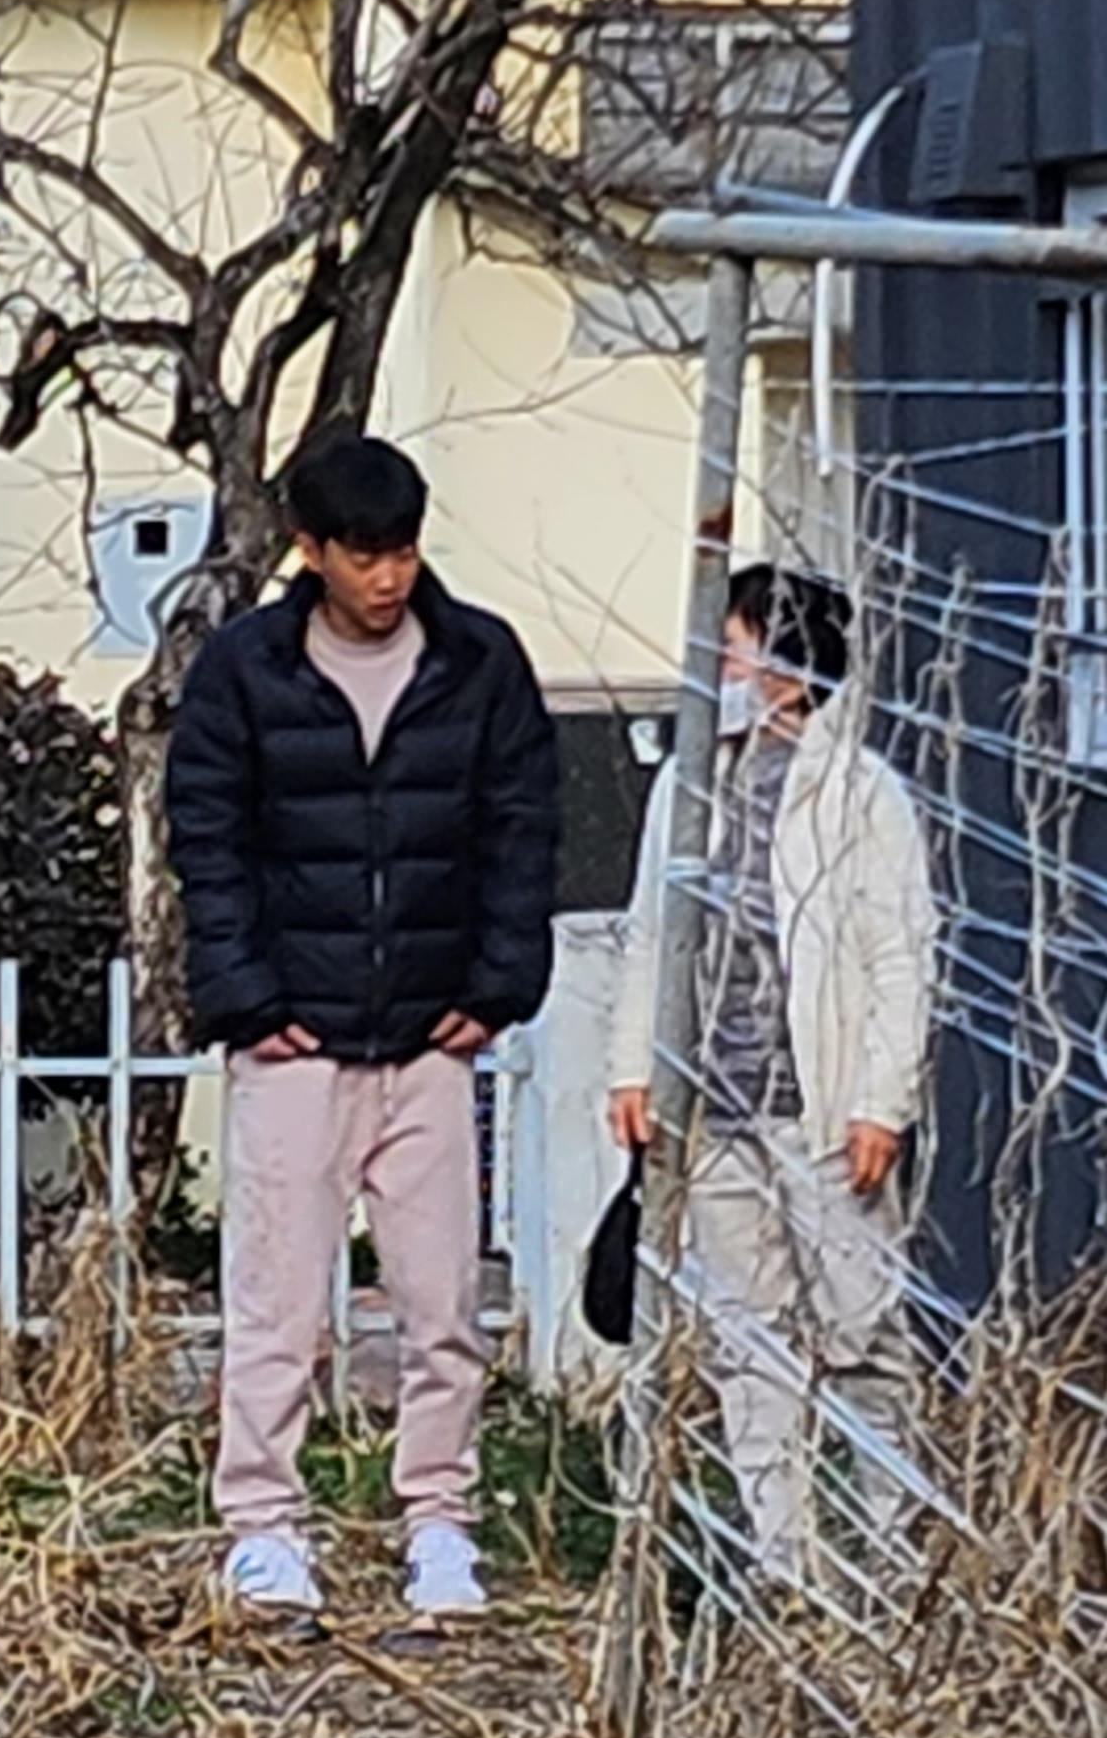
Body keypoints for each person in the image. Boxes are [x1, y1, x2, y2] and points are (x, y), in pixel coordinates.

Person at [167, 430, 561, 1624]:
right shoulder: (244, 668)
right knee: (276, 1305)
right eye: (364, 554)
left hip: (433, 1039)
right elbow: (206, 838)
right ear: (311, 549)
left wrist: (498, 986)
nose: (389, 577)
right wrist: (247, 998)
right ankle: (263, 1528)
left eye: (403, 552)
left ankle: (440, 1522)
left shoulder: (480, 660)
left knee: (445, 1306)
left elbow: (523, 828)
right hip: (294, 1043)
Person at [607, 563, 937, 1594]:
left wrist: (882, 1102)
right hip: (714, 1110)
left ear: (788, 663)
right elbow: (652, 933)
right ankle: (782, 1562)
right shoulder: (689, 782)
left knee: (863, 1330)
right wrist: (634, 1068)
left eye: (739, 646)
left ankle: (898, 1554)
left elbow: (902, 958)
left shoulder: (863, 793)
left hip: (822, 1113)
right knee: (751, 1341)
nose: (722, 666)